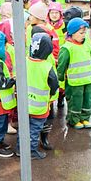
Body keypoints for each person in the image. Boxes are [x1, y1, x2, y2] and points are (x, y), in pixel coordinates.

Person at [18, 32, 59, 160]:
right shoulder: (47, 66)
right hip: (39, 106)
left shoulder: (24, 61)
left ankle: (20, 148)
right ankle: (30, 151)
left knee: (24, 127)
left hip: (24, 104)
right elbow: (54, 84)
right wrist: (51, 96)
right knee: (34, 130)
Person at [57, 17, 91, 130]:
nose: (83, 35)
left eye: (85, 33)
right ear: (72, 33)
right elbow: (61, 66)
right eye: (81, 33)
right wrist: (61, 81)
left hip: (88, 79)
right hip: (74, 82)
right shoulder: (67, 48)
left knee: (87, 100)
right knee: (75, 101)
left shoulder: (86, 45)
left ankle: (85, 117)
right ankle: (74, 119)